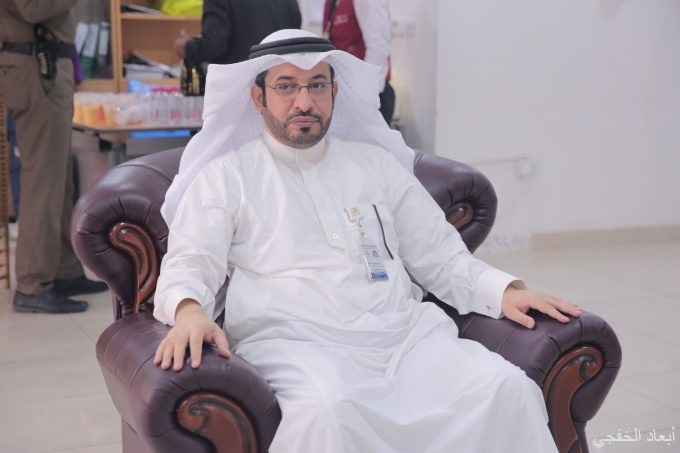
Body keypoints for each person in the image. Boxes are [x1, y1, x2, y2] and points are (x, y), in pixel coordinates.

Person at [152, 29, 581, 452]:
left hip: (405, 339)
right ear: (258, 97)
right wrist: (189, 312)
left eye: (317, 85)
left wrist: (504, 292)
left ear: (335, 92)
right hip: (295, 346)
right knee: (329, 410)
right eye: (286, 86)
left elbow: (440, 255)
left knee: (504, 387)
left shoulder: (377, 165)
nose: (304, 102)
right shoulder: (226, 177)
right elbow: (191, 261)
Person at [0, 0, 107, 314]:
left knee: (59, 179)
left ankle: (63, 271)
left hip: (47, 64)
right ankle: (33, 283)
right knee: (44, 180)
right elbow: (30, 9)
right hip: (36, 66)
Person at [323, 0, 395, 125]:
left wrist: (366, 96)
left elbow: (378, 48)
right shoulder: (331, 3)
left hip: (367, 96)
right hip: (346, 93)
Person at [172, 0, 302, 65]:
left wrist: (187, 47)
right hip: (279, 88)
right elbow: (294, 40)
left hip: (239, 89)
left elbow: (214, 46)